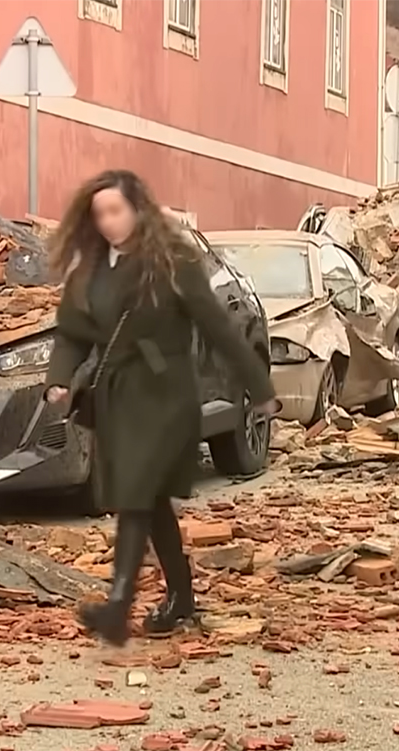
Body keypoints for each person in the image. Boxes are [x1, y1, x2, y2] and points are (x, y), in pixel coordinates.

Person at [43, 169, 278, 646]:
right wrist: (59, 379)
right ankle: (182, 600)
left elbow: (217, 326)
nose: (108, 222)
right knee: (147, 501)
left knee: (135, 492)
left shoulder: (172, 260)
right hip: (119, 398)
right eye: (99, 214)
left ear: (138, 209)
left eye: (116, 211)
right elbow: (72, 333)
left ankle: (117, 606)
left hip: (167, 394)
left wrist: (259, 386)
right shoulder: (89, 269)